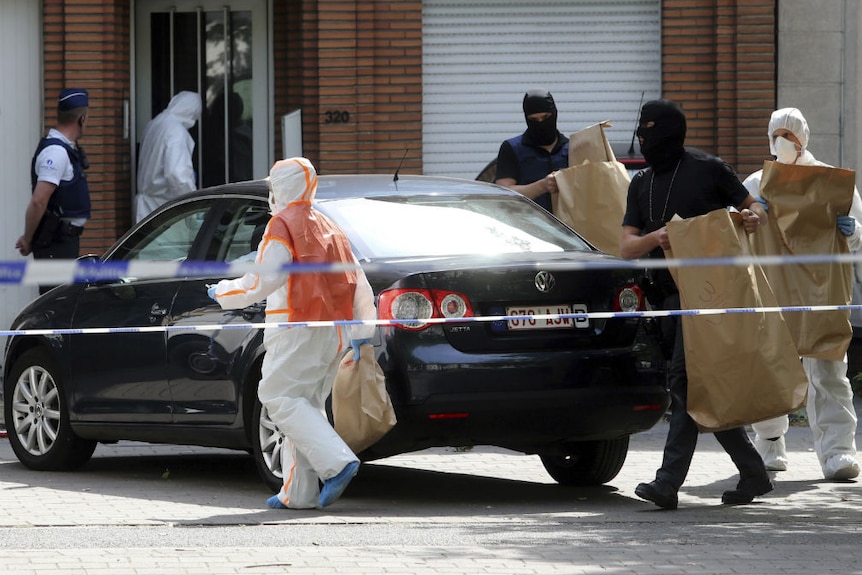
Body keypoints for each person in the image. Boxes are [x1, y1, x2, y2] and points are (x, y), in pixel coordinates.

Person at [620, 98, 772, 509]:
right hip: (666, 301)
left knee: (684, 385)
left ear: (672, 130)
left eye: (651, 127)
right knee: (704, 390)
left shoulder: (709, 169)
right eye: (641, 128)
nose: (644, 136)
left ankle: (667, 483)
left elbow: (751, 206)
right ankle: (754, 473)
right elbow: (626, 247)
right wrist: (658, 239)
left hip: (709, 297)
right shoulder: (641, 183)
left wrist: (754, 216)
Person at [208, 157, 378, 510]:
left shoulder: (282, 226)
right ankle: (298, 493)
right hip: (335, 332)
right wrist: (364, 330)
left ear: (279, 188)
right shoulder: (329, 226)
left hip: (296, 328)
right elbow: (358, 282)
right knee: (305, 405)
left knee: (276, 396)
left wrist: (222, 291)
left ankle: (337, 462)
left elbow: (262, 281)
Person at [745, 107, 861, 480]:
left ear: (804, 139)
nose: (783, 143)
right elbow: (731, 237)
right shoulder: (754, 184)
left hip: (821, 287)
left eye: (790, 136)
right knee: (768, 370)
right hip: (772, 288)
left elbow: (860, 237)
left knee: (827, 368)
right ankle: (769, 444)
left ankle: (838, 451)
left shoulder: (831, 181)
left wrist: (852, 230)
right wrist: (745, 216)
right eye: (777, 135)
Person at [16, 88, 92, 295]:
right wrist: (28, 239)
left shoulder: (65, 148)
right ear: (82, 119)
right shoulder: (56, 153)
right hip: (55, 244)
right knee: (56, 304)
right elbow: (39, 201)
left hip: (62, 243)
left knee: (63, 303)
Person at [494, 88, 569, 213]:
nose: (541, 123)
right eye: (534, 120)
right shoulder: (512, 148)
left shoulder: (572, 148)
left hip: (568, 227)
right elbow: (504, 193)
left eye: (546, 117)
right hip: (527, 226)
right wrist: (542, 186)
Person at [135, 91, 202, 223]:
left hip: (146, 205)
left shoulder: (155, 123)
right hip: (164, 207)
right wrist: (193, 203)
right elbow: (177, 175)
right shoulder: (176, 132)